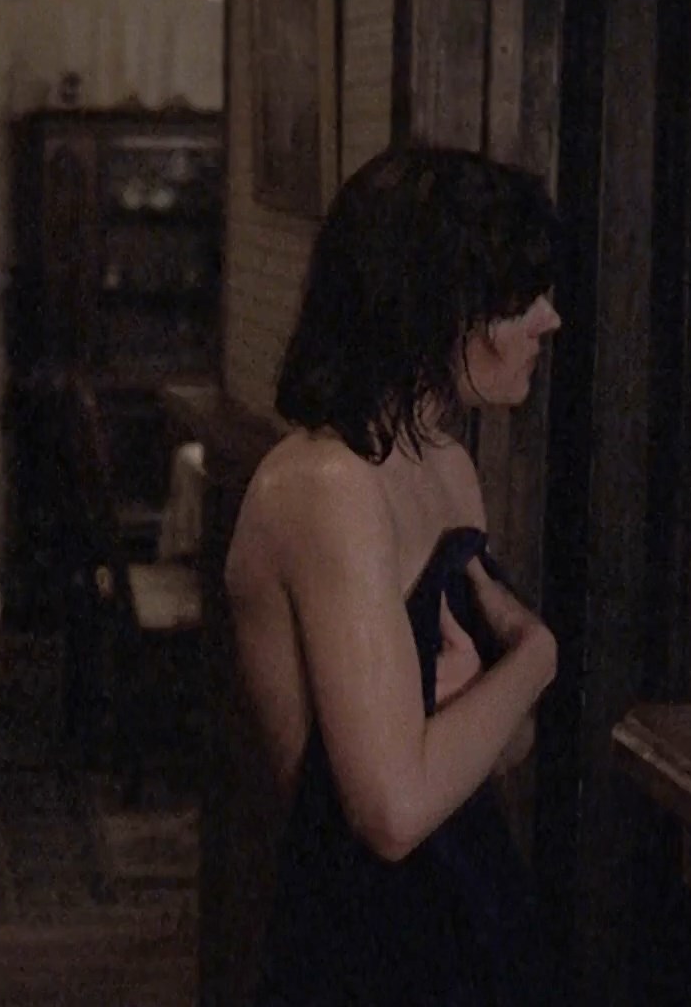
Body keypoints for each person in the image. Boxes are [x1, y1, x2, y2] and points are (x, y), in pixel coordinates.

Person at [224, 146, 565, 1006]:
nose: (549, 319)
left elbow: (508, 746)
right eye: (519, 299)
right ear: (435, 307)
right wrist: (533, 660)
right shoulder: (325, 486)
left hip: (476, 910)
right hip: (363, 950)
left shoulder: (446, 466)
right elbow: (391, 814)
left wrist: (482, 698)